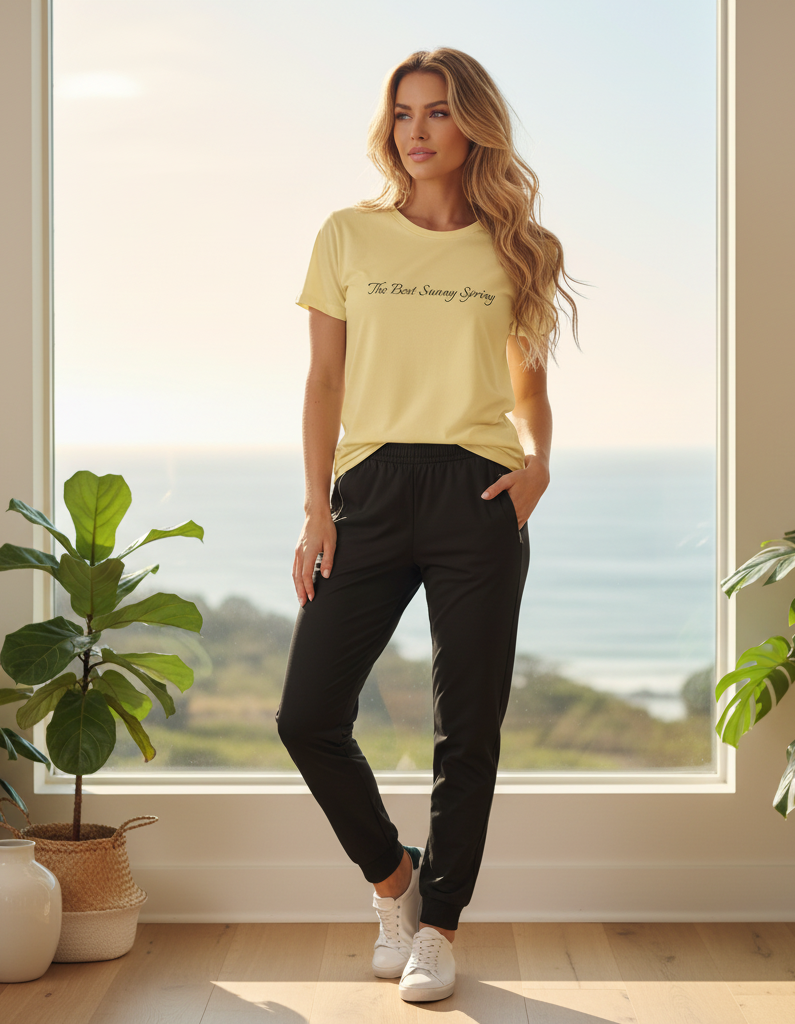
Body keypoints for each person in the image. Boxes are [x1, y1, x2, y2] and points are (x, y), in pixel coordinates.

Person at [276, 47, 578, 1003]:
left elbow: (530, 385)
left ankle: (439, 927)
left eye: (438, 112)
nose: (416, 130)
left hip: (476, 493)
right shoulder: (347, 235)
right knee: (306, 716)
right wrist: (317, 507)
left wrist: (537, 465)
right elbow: (325, 380)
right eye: (404, 113)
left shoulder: (516, 246)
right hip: (367, 490)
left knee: (469, 725)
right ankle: (395, 882)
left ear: (472, 124)